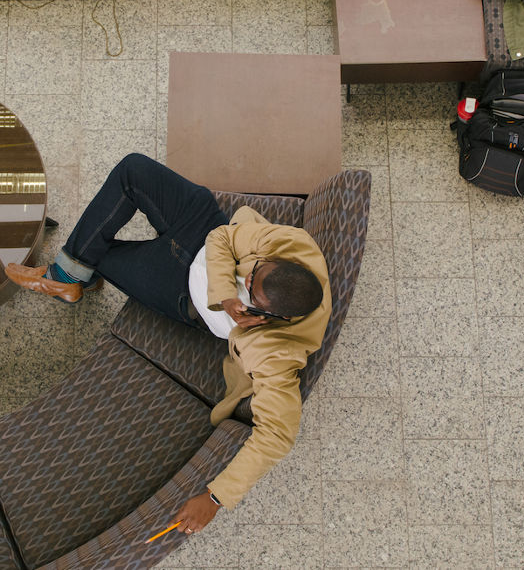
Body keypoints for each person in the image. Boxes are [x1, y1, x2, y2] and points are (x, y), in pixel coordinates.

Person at [4, 154, 329, 537]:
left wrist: (213, 499)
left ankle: (73, 278)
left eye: (251, 290)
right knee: (132, 171)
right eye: (255, 269)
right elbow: (224, 238)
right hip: (205, 228)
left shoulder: (278, 354)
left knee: (95, 250)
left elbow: (277, 435)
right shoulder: (294, 246)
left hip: (181, 289)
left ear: (275, 318)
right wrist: (228, 293)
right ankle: (71, 278)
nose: (249, 273)